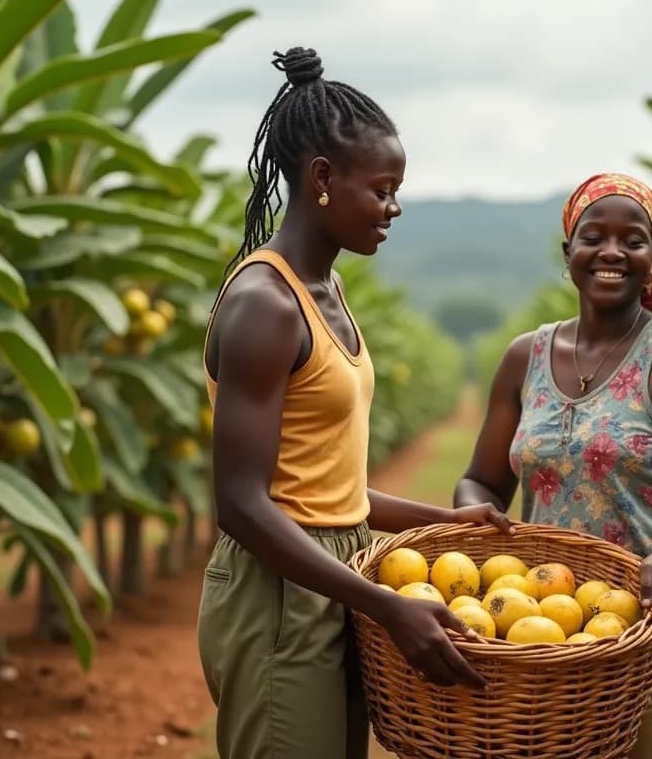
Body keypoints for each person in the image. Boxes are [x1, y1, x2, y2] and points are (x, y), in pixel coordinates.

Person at [197, 46, 514, 759]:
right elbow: (242, 505)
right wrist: (386, 605)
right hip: (278, 589)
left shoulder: (328, 292)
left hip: (338, 571)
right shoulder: (265, 306)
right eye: (383, 188)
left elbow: (325, 489)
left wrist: (445, 520)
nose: (394, 207)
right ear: (320, 179)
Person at [452, 172, 652, 758]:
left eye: (634, 239)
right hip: (544, 642)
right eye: (594, 236)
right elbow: (481, 480)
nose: (613, 252)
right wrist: (475, 516)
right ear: (569, 250)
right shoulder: (526, 357)